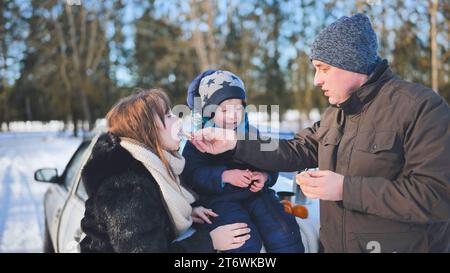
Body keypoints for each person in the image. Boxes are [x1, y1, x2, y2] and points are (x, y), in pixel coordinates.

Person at [190, 14, 450, 253]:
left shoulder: (420, 108)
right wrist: (235, 142)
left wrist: (345, 189)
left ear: (352, 63)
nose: (316, 80)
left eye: (323, 68)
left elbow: (437, 196)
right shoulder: (336, 116)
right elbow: (293, 150)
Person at [79, 89, 251, 253]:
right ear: (147, 130)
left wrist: (186, 212)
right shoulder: (127, 187)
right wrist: (210, 241)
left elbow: (151, 213)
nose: (178, 120)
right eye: (168, 116)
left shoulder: (152, 166)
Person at [182, 70, 304, 253]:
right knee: (242, 239)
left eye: (238, 108)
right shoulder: (199, 140)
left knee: (283, 231)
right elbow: (191, 174)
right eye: (224, 110)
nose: (233, 116)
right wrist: (223, 176)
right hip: (219, 201)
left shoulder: (252, 134)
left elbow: (272, 161)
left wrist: (265, 176)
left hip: (256, 195)